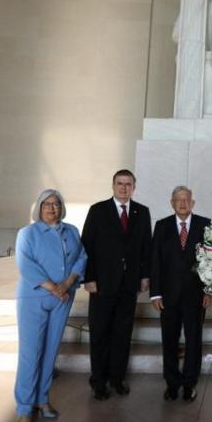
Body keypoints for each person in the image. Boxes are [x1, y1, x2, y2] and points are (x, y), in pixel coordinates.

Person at [13, 189, 87, 422]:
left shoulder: (72, 231)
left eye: (56, 204)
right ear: (39, 207)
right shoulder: (28, 233)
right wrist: (52, 286)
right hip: (35, 297)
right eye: (47, 204)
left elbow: (82, 258)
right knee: (30, 352)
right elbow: (26, 264)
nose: (52, 208)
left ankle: (41, 399)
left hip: (63, 297)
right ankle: (24, 408)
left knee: (51, 350)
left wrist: (67, 284)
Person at [82, 169, 152, 400]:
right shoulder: (98, 210)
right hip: (102, 284)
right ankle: (98, 381)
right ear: (113, 186)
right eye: (120, 184)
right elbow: (87, 247)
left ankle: (117, 379)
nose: (124, 188)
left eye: (128, 184)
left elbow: (145, 248)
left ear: (134, 187)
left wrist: (144, 276)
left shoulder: (142, 212)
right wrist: (88, 278)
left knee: (122, 334)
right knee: (100, 333)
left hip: (129, 284)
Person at [150, 186, 212, 403]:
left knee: (194, 340)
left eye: (187, 200)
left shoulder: (206, 225)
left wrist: (209, 290)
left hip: (196, 295)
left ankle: (189, 384)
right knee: (169, 340)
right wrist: (155, 294)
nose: (183, 203)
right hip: (167, 297)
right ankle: (172, 383)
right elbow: (155, 261)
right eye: (179, 200)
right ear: (172, 203)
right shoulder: (162, 226)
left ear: (193, 203)